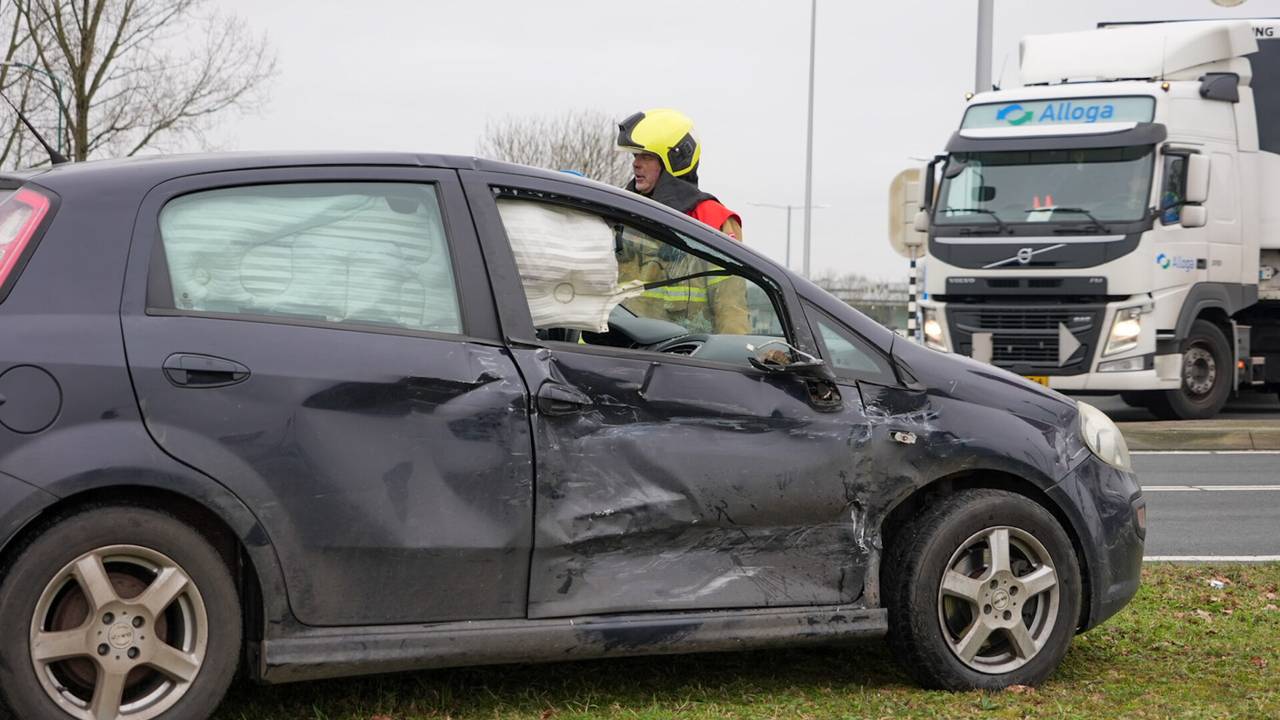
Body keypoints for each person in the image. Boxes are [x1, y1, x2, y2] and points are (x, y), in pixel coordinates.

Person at [615, 108, 749, 334]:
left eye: (646, 156)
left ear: (675, 160)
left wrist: (733, 352)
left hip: (686, 351)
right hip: (618, 347)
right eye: (635, 156)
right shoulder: (620, 213)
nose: (636, 164)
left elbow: (731, 309)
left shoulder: (713, 220)